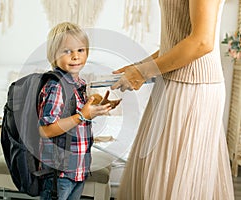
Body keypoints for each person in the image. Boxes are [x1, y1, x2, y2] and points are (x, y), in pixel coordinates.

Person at [111, 0, 235, 199]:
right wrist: (140, 66)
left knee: (172, 178)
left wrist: (142, 72)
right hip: (171, 82)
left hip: (193, 86)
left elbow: (202, 42)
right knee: (157, 174)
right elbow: (175, 39)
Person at [37, 22, 113, 200]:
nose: (75, 56)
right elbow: (45, 129)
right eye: (66, 51)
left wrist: (99, 105)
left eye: (80, 50)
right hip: (59, 173)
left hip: (78, 168)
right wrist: (81, 116)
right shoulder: (55, 86)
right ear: (53, 55)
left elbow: (79, 113)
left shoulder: (79, 84)